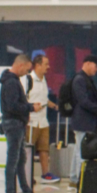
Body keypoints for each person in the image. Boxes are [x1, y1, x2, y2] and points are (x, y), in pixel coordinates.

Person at [0, 55, 42, 193]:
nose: (27, 72)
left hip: (16, 123)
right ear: (21, 65)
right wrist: (31, 108)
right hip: (14, 124)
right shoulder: (11, 82)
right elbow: (12, 106)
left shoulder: (12, 81)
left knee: (19, 158)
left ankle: (25, 190)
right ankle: (10, 192)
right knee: (13, 158)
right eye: (27, 69)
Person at [69, 55, 97, 185]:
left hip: (85, 121)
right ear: (87, 63)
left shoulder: (86, 79)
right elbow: (84, 102)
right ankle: (82, 181)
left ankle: (74, 178)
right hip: (83, 122)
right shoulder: (80, 80)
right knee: (82, 153)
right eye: (96, 66)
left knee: (78, 150)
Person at [25, 52, 59, 184]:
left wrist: (54, 106)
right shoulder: (28, 80)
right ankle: (27, 175)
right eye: (46, 64)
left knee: (44, 149)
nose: (48, 67)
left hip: (43, 121)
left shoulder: (44, 80)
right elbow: (23, 100)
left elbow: (44, 99)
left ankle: (46, 174)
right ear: (37, 65)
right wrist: (31, 107)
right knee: (28, 150)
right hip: (31, 121)